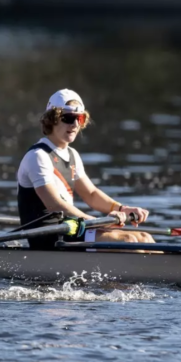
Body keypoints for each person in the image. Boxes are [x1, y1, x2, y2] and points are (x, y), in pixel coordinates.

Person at [16, 89, 154, 250]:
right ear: (51, 119)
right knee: (129, 241)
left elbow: (91, 194)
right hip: (48, 237)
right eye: (68, 118)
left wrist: (122, 208)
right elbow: (55, 204)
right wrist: (94, 222)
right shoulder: (38, 156)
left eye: (79, 118)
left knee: (145, 238)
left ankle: (165, 274)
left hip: (71, 228)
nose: (75, 125)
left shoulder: (72, 154)